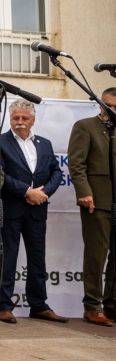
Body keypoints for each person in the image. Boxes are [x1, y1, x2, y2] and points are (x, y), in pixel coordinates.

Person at [0, 99, 67, 324]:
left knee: (38, 260)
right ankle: (4, 307)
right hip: (11, 209)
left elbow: (56, 172)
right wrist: (27, 191)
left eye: (24, 118)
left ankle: (38, 305)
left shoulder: (45, 144)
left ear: (33, 120)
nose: (19, 122)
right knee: (8, 259)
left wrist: (44, 192)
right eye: (16, 118)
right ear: (10, 119)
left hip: (38, 210)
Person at [68, 86, 116, 326]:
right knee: (97, 255)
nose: (111, 110)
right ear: (100, 104)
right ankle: (92, 306)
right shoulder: (86, 126)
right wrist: (84, 192)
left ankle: (112, 305)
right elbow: (76, 163)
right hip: (96, 201)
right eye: (108, 105)